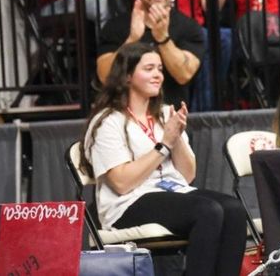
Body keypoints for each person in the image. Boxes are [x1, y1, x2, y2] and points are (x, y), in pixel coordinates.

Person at [80, 42, 247, 275]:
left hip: (172, 192)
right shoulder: (108, 121)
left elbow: (187, 176)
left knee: (234, 209)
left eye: (159, 68)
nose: (158, 75)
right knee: (208, 211)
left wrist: (176, 137)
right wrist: (164, 144)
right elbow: (121, 183)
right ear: (127, 76)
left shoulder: (164, 114)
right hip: (127, 203)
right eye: (149, 69)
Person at [96, 0, 204, 106]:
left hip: (169, 115)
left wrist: (163, 38)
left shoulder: (190, 28)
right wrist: (132, 39)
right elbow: (105, 76)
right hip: (123, 114)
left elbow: (184, 74)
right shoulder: (115, 26)